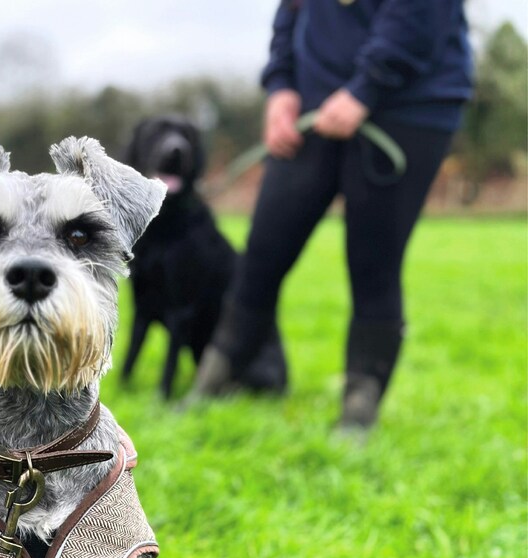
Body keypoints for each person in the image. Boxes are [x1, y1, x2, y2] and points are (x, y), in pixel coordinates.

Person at [194, 0, 473, 429]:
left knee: (374, 260)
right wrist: (281, 85)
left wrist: (368, 86)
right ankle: (214, 377)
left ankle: (358, 410)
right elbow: (292, 9)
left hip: (409, 105)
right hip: (312, 101)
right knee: (265, 248)